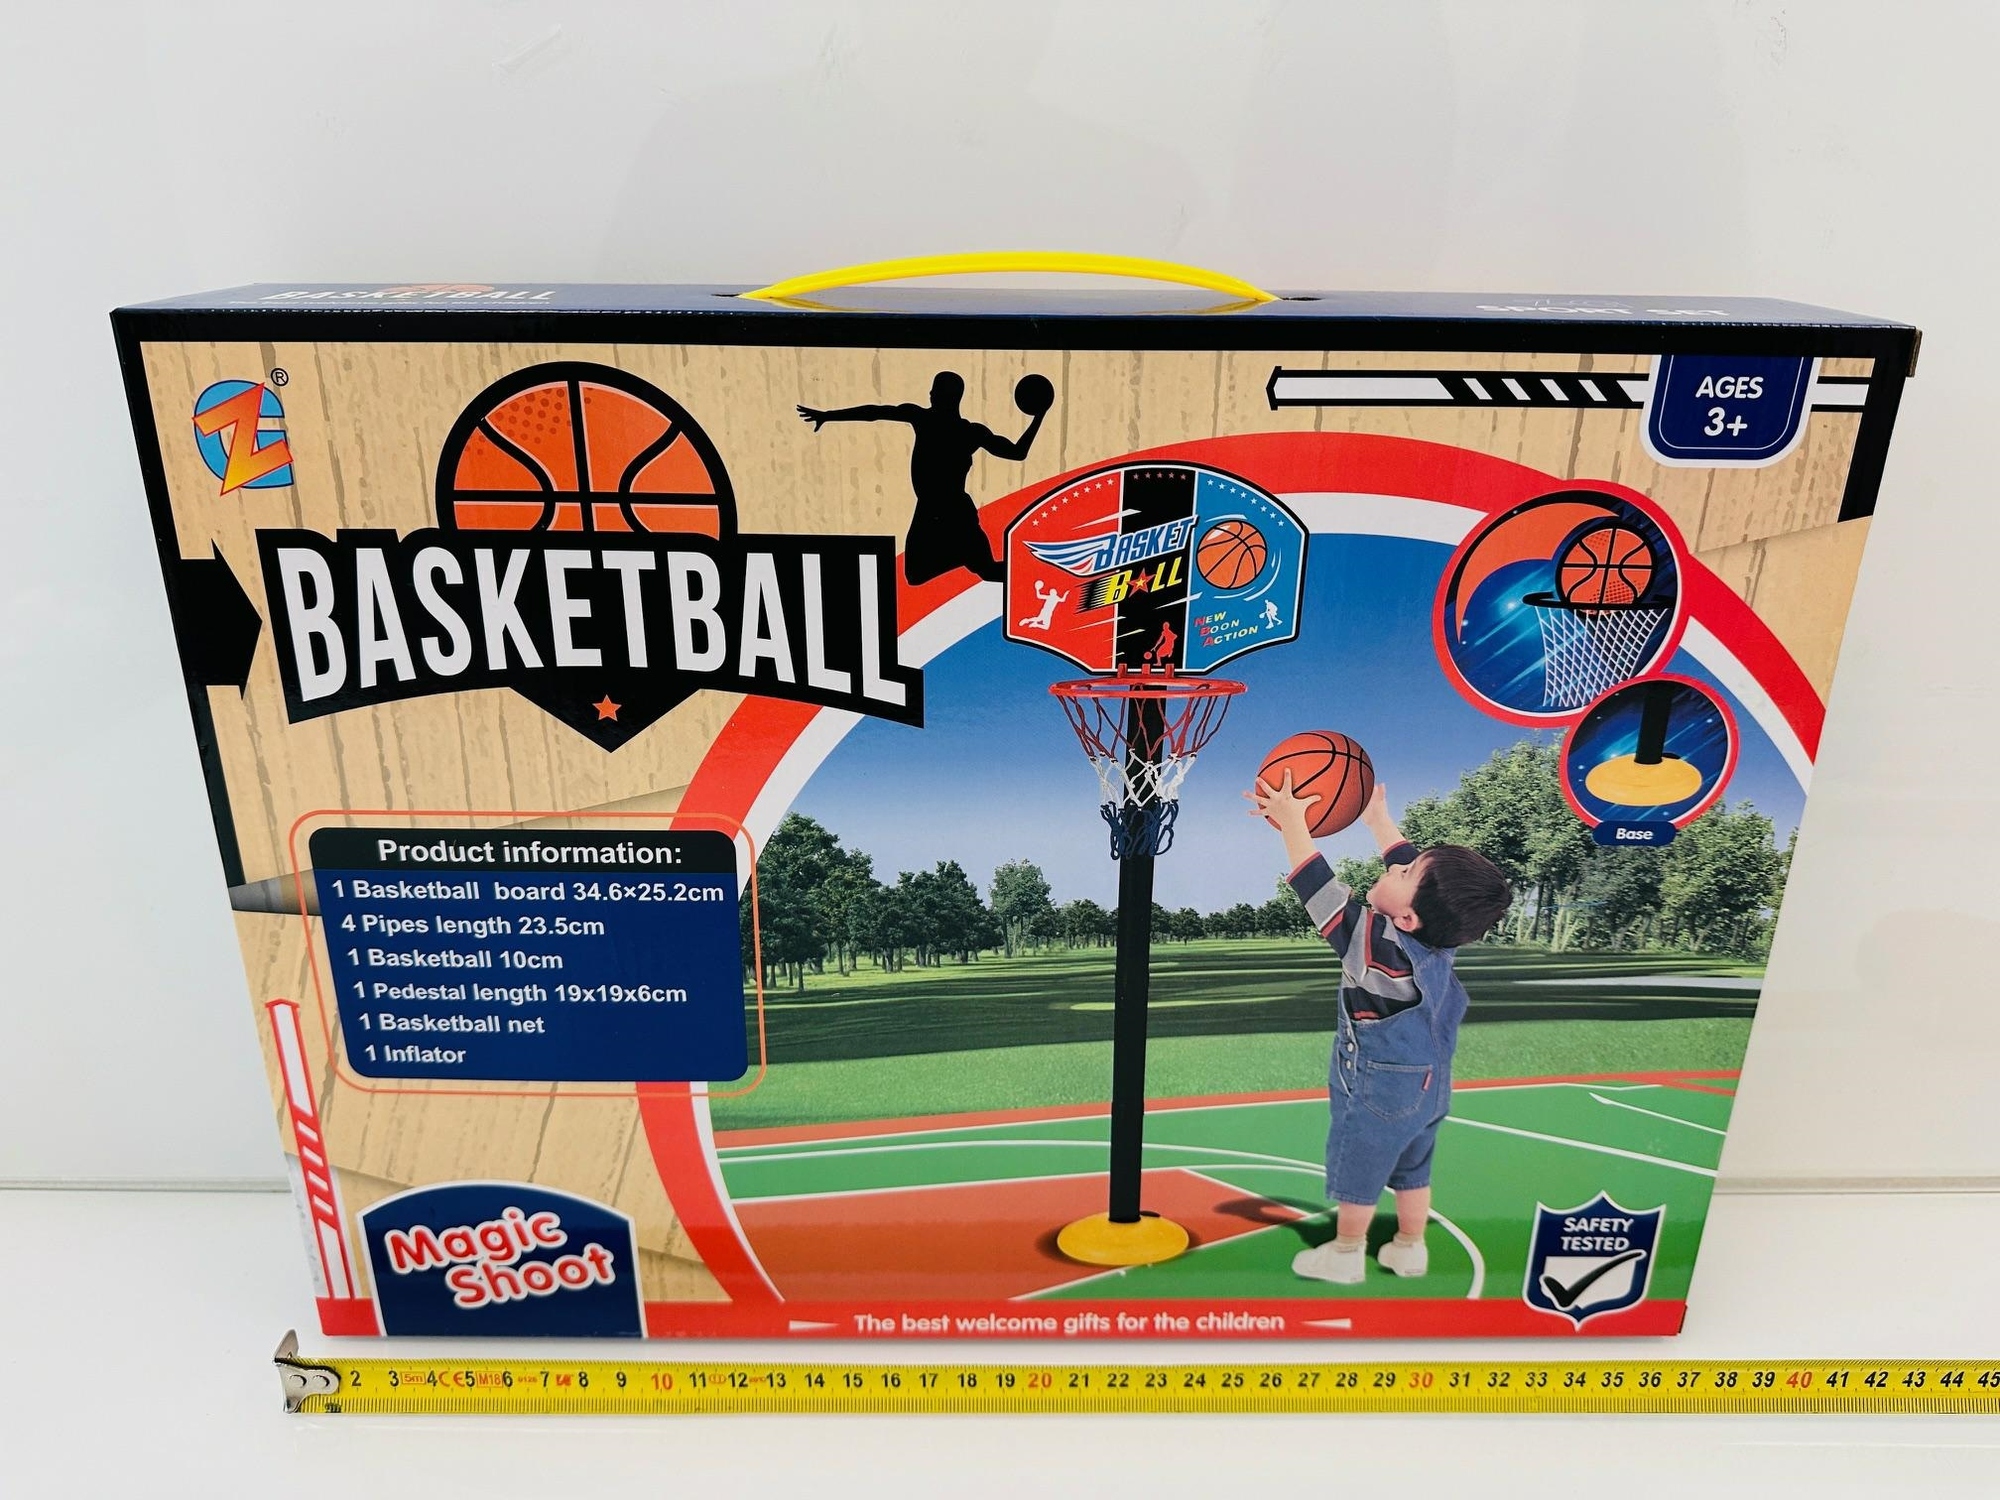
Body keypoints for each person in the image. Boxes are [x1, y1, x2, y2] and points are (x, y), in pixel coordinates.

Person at [1245, 775, 1511, 1285]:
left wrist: (1293, 821)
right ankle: (1410, 1248)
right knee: (1414, 1170)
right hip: (1430, 1086)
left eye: (1404, 873)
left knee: (1359, 1168)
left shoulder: (1370, 944)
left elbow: (1317, 888)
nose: (1394, 866)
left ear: (1407, 917)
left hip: (1378, 1088)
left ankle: (1346, 1253)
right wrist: (1378, 820)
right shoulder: (1440, 937)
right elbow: (1413, 868)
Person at [798, 372, 1045, 585]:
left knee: (980, 572)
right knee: (919, 574)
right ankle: (964, 554)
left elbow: (875, 412)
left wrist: (828, 415)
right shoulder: (963, 430)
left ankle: (1028, 569)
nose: (930, 394)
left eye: (934, 390)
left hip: (951, 510)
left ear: (942, 395)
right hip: (931, 509)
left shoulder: (939, 423)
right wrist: (1039, 416)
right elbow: (874, 412)